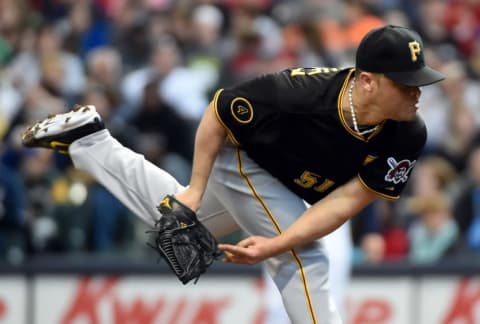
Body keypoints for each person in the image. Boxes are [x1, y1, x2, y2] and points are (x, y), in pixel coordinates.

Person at [21, 25, 445, 324]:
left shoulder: (408, 133)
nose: (417, 91)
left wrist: (274, 243)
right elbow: (219, 112)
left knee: (186, 221)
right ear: (368, 81)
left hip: (283, 182)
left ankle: (89, 141)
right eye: (406, 82)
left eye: (419, 80)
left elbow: (345, 202)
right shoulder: (298, 94)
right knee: (305, 259)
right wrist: (196, 186)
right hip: (241, 157)